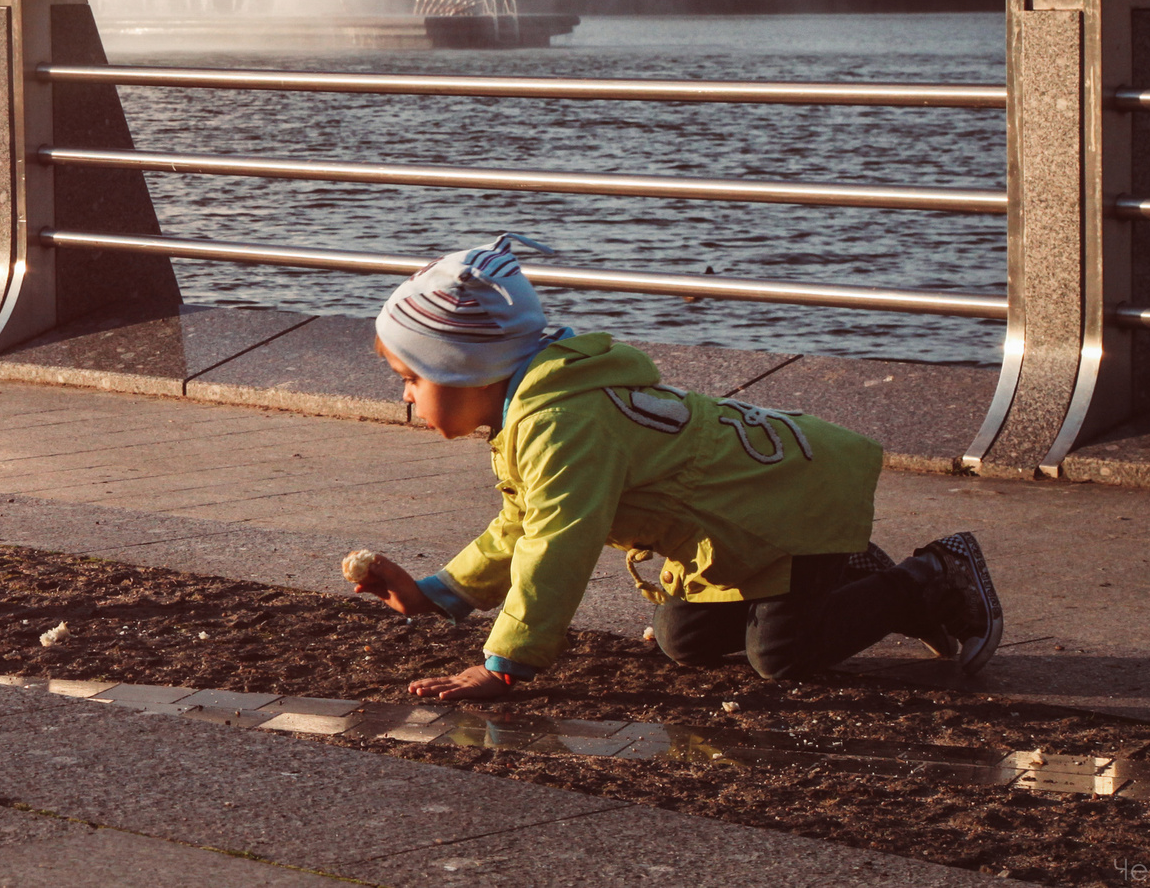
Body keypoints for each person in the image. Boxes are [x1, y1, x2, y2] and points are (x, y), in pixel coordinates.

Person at [348, 234, 1002, 699]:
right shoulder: (537, 408)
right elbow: (522, 521)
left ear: (466, 367)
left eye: (410, 377)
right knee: (682, 639)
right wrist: (440, 591)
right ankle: (840, 567)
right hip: (747, 516)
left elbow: (557, 541)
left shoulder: (559, 420)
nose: (404, 394)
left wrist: (505, 662)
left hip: (788, 501)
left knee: (780, 656)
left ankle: (927, 579)